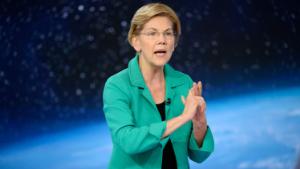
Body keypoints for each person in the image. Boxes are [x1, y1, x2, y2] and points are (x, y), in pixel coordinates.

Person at [103, 2, 214, 169]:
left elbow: (199, 155)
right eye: (152, 34)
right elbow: (129, 142)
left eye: (168, 34)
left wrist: (199, 123)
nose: (162, 40)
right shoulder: (117, 85)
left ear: (174, 42)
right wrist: (183, 118)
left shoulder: (184, 83)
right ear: (136, 42)